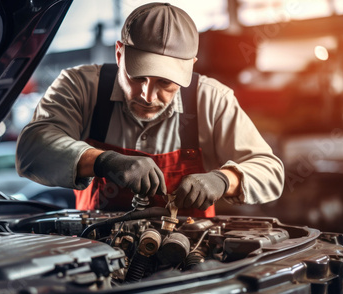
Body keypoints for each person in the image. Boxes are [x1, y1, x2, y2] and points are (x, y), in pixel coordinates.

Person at [16, 2, 284, 217]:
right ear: (119, 54)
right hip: (96, 253)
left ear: (189, 66)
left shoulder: (212, 99)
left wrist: (224, 180)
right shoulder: (80, 87)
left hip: (191, 257)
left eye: (165, 83)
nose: (147, 95)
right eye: (137, 77)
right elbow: (31, 150)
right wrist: (103, 161)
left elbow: (270, 172)